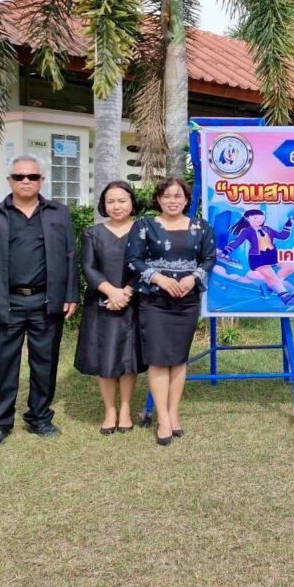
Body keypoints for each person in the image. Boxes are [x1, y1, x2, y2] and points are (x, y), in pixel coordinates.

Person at [0, 154, 78, 449]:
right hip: (6, 302)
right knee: (3, 364)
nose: (26, 181)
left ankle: (39, 417)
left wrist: (71, 294)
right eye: (19, 176)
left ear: (42, 180)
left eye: (32, 176)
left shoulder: (58, 213)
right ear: (10, 181)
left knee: (45, 363)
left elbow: (70, 256)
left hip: (46, 300)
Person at [126, 177, 215, 446]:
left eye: (178, 196)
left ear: (186, 199)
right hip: (155, 301)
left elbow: (209, 258)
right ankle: (163, 418)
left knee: (178, 359)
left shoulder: (201, 226)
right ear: (158, 199)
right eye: (167, 196)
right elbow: (133, 259)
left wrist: (193, 278)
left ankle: (174, 413)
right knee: (158, 359)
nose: (172, 201)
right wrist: (160, 279)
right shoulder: (145, 225)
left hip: (187, 302)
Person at [74, 181, 146, 434]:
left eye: (122, 200)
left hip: (133, 302)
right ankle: (110, 410)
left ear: (132, 203)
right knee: (104, 357)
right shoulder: (92, 233)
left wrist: (126, 292)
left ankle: (125, 408)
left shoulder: (143, 231)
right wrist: (112, 292)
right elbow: (88, 267)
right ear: (103, 205)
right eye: (111, 201)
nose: (116, 206)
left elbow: (148, 265)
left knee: (129, 357)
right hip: (101, 303)